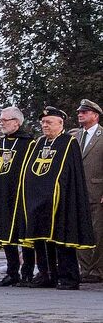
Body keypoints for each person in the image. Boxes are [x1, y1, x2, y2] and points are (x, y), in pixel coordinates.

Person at [20, 107, 96, 290]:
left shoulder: (68, 142)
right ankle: (46, 274)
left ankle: (68, 277)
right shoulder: (39, 143)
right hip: (38, 199)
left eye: (49, 122)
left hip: (60, 199)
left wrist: (53, 191)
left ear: (60, 123)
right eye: (43, 123)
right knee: (40, 239)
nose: (45, 126)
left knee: (62, 239)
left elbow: (68, 173)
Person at [0, 107, 36, 287]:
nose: (1, 123)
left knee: (23, 236)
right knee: (6, 235)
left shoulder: (29, 143)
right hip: (0, 195)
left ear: (17, 122)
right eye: (0, 120)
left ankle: (27, 272)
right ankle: (12, 272)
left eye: (5, 120)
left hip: (20, 195)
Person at [71, 99, 103, 284]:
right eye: (79, 112)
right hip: (77, 192)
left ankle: (97, 269)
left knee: (97, 231)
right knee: (79, 230)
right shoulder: (74, 136)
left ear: (95, 115)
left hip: (96, 191)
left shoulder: (102, 135)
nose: (80, 115)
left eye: (84, 112)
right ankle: (85, 268)